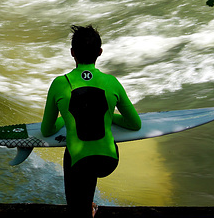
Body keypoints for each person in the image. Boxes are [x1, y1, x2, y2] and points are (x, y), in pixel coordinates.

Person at [41, 25, 141, 218]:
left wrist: (64, 120)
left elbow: (47, 130)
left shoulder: (59, 83)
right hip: (109, 160)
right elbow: (135, 124)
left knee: (77, 153)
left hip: (80, 162)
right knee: (91, 156)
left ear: (72, 53)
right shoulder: (112, 82)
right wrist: (109, 117)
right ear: (100, 52)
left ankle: (81, 210)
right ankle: (87, 206)